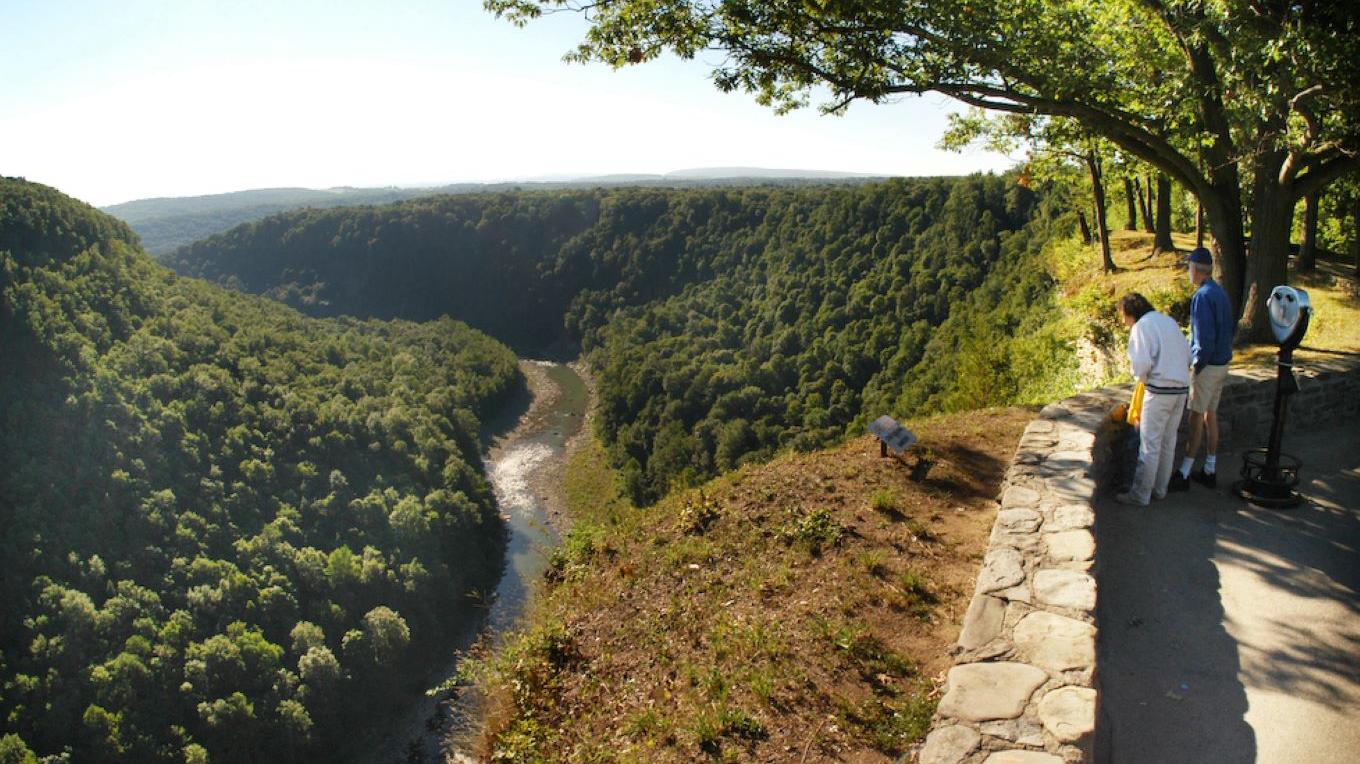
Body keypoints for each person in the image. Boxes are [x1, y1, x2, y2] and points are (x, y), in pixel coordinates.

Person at [1115, 292, 1191, 506]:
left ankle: (1140, 494)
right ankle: (1160, 489)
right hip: (1181, 388)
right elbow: (1188, 355)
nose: (1124, 322)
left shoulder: (1141, 327)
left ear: (1130, 313)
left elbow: (1140, 364)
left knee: (1150, 445)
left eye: (1123, 316)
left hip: (1159, 390)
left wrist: (1144, 380)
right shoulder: (1167, 321)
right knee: (1168, 442)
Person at [1172, 247, 1234, 489]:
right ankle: (1210, 468)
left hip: (1208, 367)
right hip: (1222, 363)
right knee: (1211, 414)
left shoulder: (1202, 297)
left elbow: (1203, 340)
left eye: (1189, 268)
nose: (1188, 272)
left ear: (1196, 270)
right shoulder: (1220, 293)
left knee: (1195, 418)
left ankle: (1185, 473)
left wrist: (1195, 367)